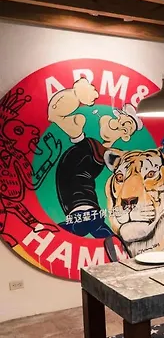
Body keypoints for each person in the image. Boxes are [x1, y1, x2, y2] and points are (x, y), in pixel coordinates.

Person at [48, 78, 143, 238]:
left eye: (125, 127)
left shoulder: (104, 152)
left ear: (125, 136)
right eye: (119, 119)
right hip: (78, 208)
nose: (117, 124)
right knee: (96, 231)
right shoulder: (92, 145)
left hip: (82, 207)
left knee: (82, 229)